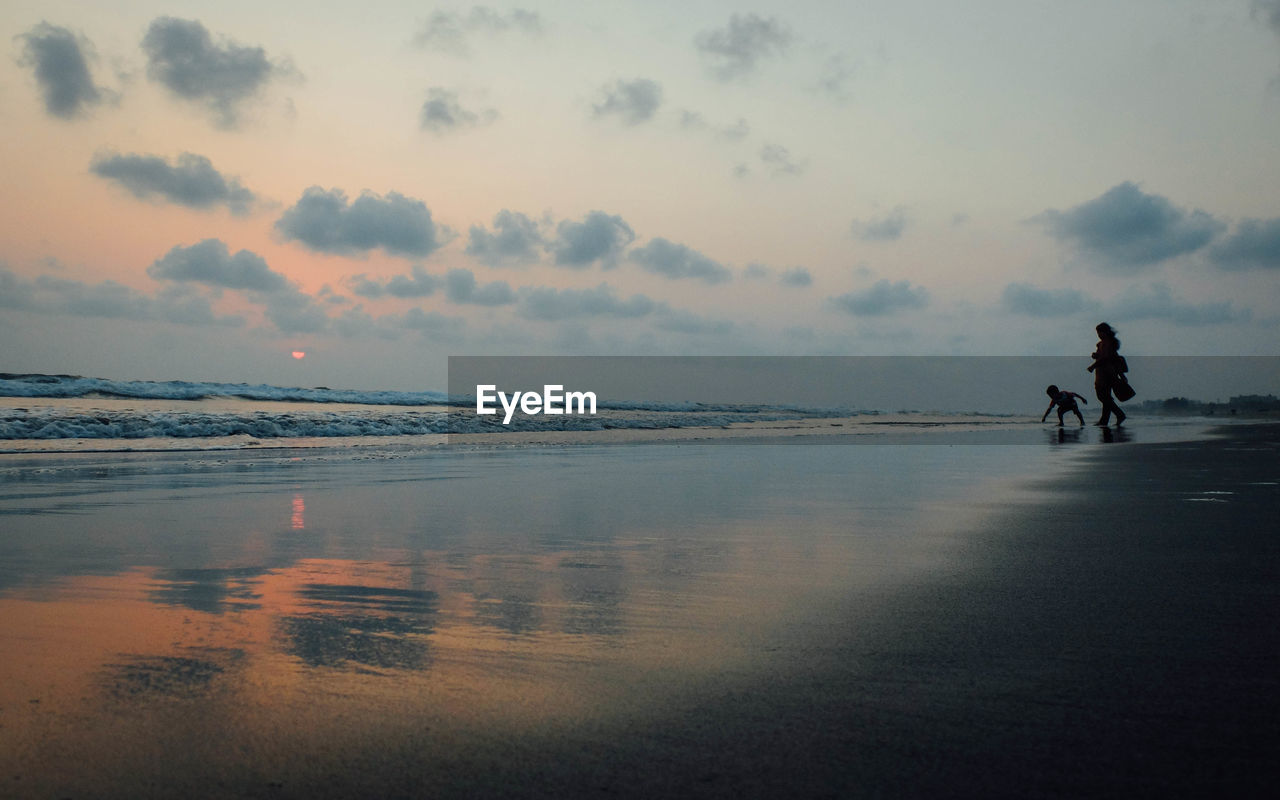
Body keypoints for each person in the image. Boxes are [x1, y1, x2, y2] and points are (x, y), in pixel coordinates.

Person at [1087, 322, 1127, 426]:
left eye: (1100, 332)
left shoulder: (1108, 343)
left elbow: (1106, 358)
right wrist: (1096, 355)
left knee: (1102, 396)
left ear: (1105, 332)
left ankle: (1119, 414)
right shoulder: (1102, 344)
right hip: (1105, 372)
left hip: (1106, 372)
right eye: (1097, 333)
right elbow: (1104, 357)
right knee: (1106, 396)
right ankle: (1104, 420)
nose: (1099, 334)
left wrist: (1093, 366)